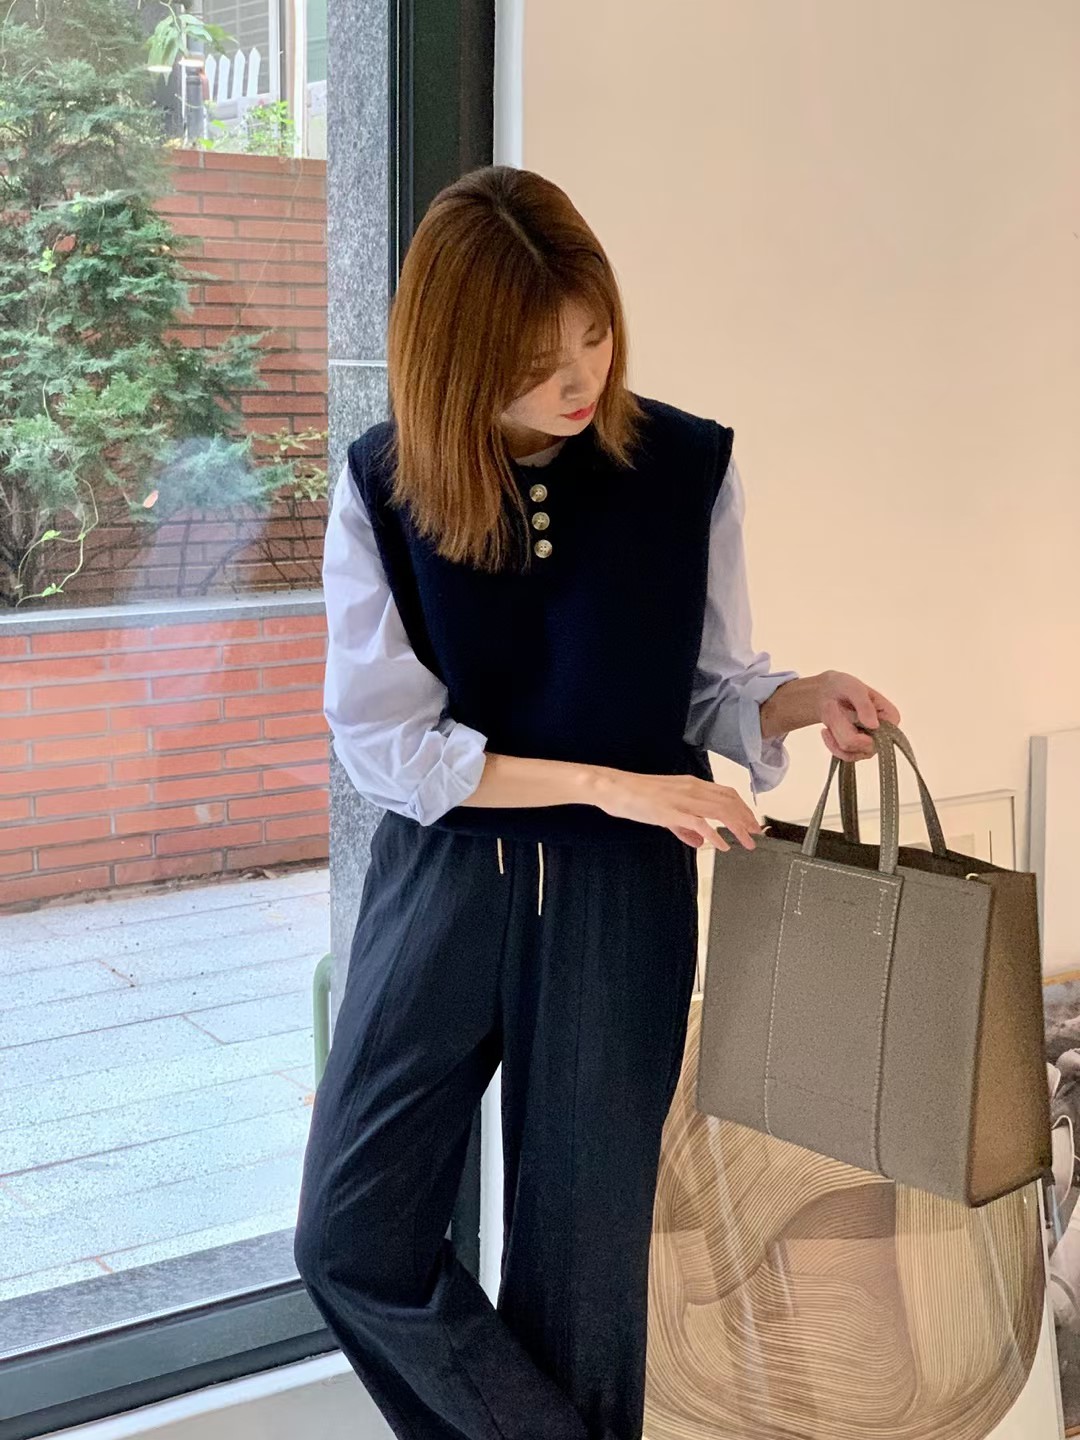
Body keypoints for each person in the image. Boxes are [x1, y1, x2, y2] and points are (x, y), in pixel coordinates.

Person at [293, 164, 901, 1440]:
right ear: (455, 361)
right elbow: (391, 748)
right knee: (351, 1237)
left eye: (593, 334)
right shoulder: (386, 484)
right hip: (449, 882)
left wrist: (805, 700)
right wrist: (604, 785)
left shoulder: (684, 467)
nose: (578, 379)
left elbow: (712, 685)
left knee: (581, 1291)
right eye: (536, 360)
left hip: (620, 904)